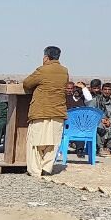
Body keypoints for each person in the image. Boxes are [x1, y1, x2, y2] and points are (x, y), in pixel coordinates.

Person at [21, 45, 69, 175]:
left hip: (41, 111)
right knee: (53, 142)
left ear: (46, 57)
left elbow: (27, 83)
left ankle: (35, 170)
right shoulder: (65, 71)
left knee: (35, 143)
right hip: (58, 111)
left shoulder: (42, 70)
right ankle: (47, 168)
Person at [87, 80, 111, 155]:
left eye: (109, 90)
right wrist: (101, 119)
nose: (107, 91)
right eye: (105, 89)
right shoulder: (95, 101)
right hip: (97, 121)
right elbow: (90, 113)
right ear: (102, 90)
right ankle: (100, 147)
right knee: (100, 127)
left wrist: (110, 121)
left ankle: (108, 148)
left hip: (108, 121)